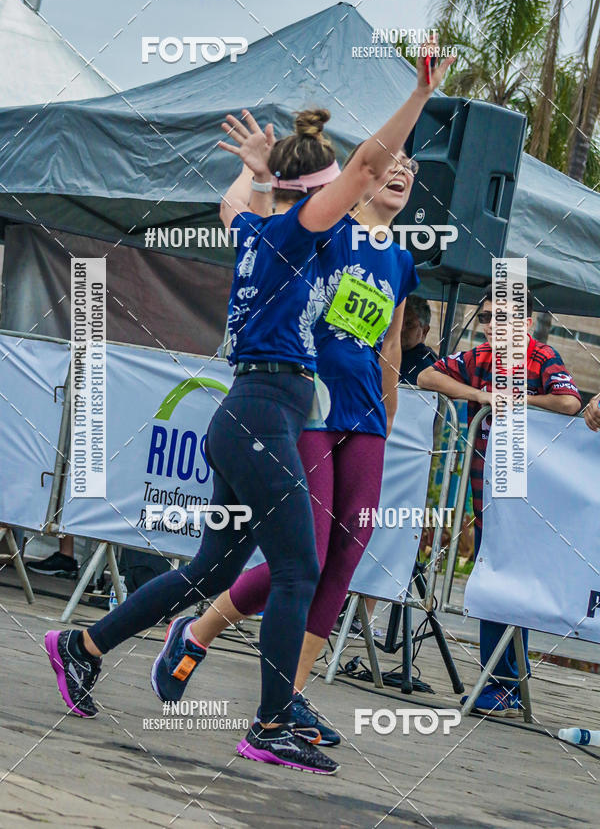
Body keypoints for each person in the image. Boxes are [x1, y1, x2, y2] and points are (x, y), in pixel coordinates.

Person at [44, 44, 452, 774]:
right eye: (333, 184)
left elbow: (238, 202)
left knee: (211, 570)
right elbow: (363, 167)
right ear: (319, 195)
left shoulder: (257, 230)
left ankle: (83, 645)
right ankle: (269, 723)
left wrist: (254, 172)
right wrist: (419, 96)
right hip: (263, 417)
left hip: (247, 419)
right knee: (299, 569)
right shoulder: (296, 233)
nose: (351, 186)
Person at [150, 123, 426, 745]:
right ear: (361, 175)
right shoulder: (324, 230)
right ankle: (200, 631)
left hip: (366, 418)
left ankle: (291, 697)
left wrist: (388, 414)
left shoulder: (401, 261)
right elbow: (246, 220)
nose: (401, 170)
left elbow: (388, 345)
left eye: (411, 167)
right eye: (392, 161)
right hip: (305, 406)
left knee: (346, 555)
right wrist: (258, 174)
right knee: (306, 553)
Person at [417, 285, 581, 715]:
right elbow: (425, 376)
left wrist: (514, 401)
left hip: (530, 492)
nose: (491, 326)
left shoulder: (542, 356)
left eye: (502, 318)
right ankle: (507, 682)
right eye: (487, 317)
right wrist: (479, 396)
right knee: (497, 575)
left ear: (525, 324)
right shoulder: (480, 358)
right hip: (483, 487)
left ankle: (502, 683)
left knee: (507, 579)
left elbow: (568, 401)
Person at [399, 295, 437, 384]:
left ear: (424, 331)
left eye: (409, 324)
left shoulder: (424, 364)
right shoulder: (384, 351)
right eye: (398, 322)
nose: (401, 329)